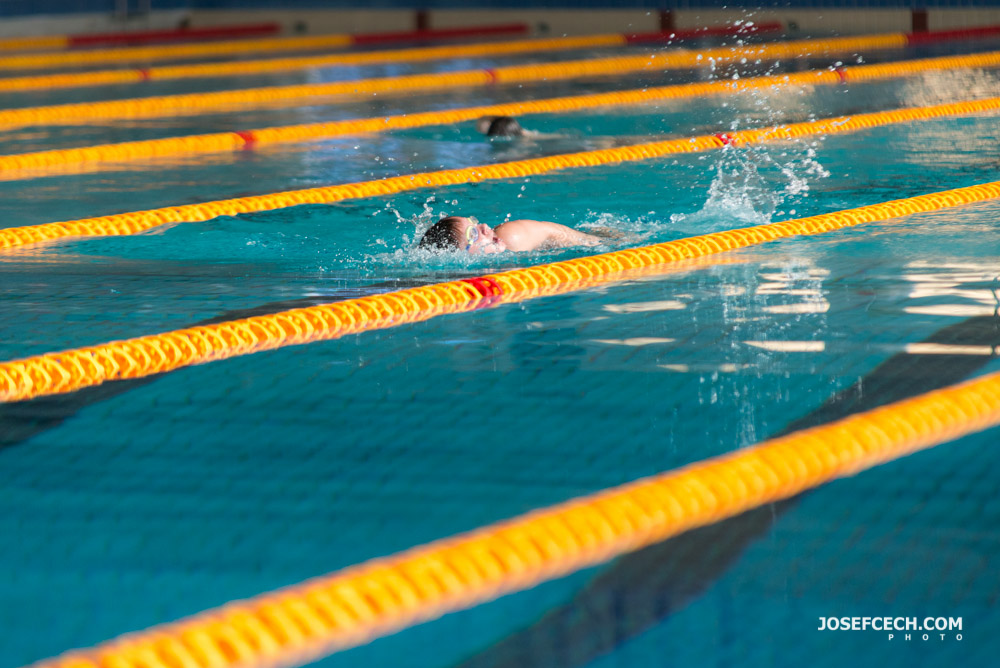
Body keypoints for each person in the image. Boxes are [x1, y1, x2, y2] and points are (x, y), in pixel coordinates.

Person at [418, 216, 602, 254]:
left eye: (474, 221)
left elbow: (549, 231)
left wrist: (596, 242)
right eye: (473, 232)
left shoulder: (510, 236)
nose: (484, 225)